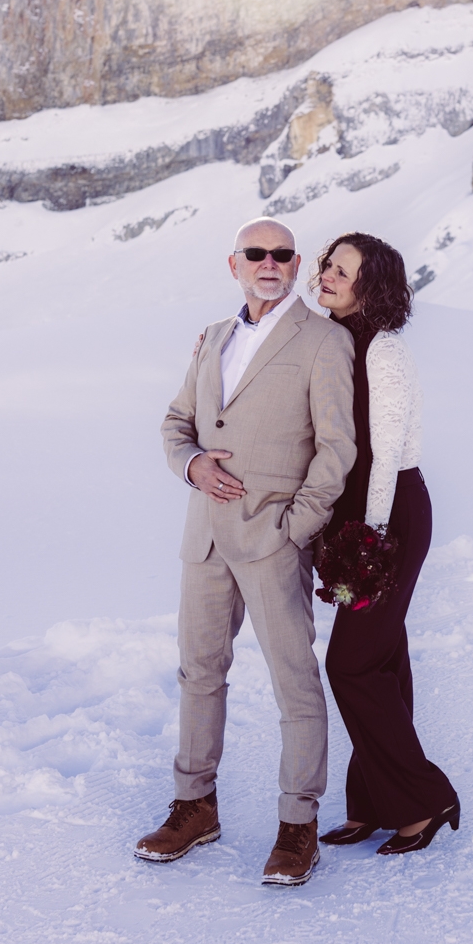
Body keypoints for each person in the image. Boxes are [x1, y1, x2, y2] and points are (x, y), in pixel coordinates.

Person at [135, 219, 356, 886]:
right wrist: (193, 464)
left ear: (296, 267)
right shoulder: (214, 338)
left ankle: (298, 826)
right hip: (204, 536)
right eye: (256, 253)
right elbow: (177, 424)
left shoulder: (324, 340)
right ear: (233, 263)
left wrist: (296, 526)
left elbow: (337, 447)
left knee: (294, 681)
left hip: (273, 540)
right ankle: (195, 805)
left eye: (282, 254)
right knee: (198, 672)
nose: (269, 262)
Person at [313, 232, 459, 854]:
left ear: (371, 286)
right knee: (383, 659)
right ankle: (374, 802)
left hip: (389, 509)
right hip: (356, 512)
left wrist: (369, 540)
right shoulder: (335, 338)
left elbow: (385, 454)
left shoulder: (385, 351)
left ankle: (425, 796)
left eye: (343, 271)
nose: (327, 275)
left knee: (350, 664)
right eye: (327, 263)